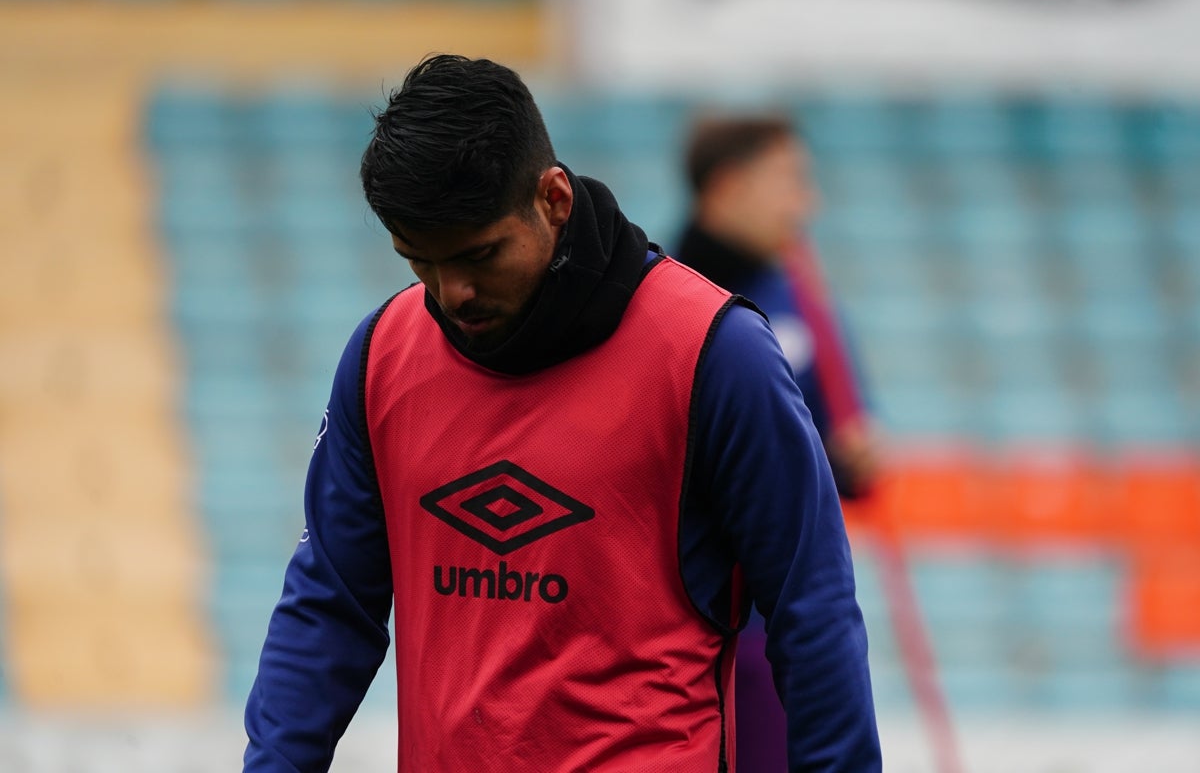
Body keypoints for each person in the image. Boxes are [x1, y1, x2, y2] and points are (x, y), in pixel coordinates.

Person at [242, 55, 880, 772]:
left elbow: (813, 610)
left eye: (480, 255)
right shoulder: (381, 357)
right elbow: (330, 605)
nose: (452, 293)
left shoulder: (717, 353)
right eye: (419, 261)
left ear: (553, 199)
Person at [674, 114, 884, 772]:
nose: (807, 202)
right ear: (730, 185)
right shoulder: (653, 297)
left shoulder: (802, 300)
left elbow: (846, 455)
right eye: (791, 182)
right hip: (667, 621)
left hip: (769, 626)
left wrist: (856, 459)